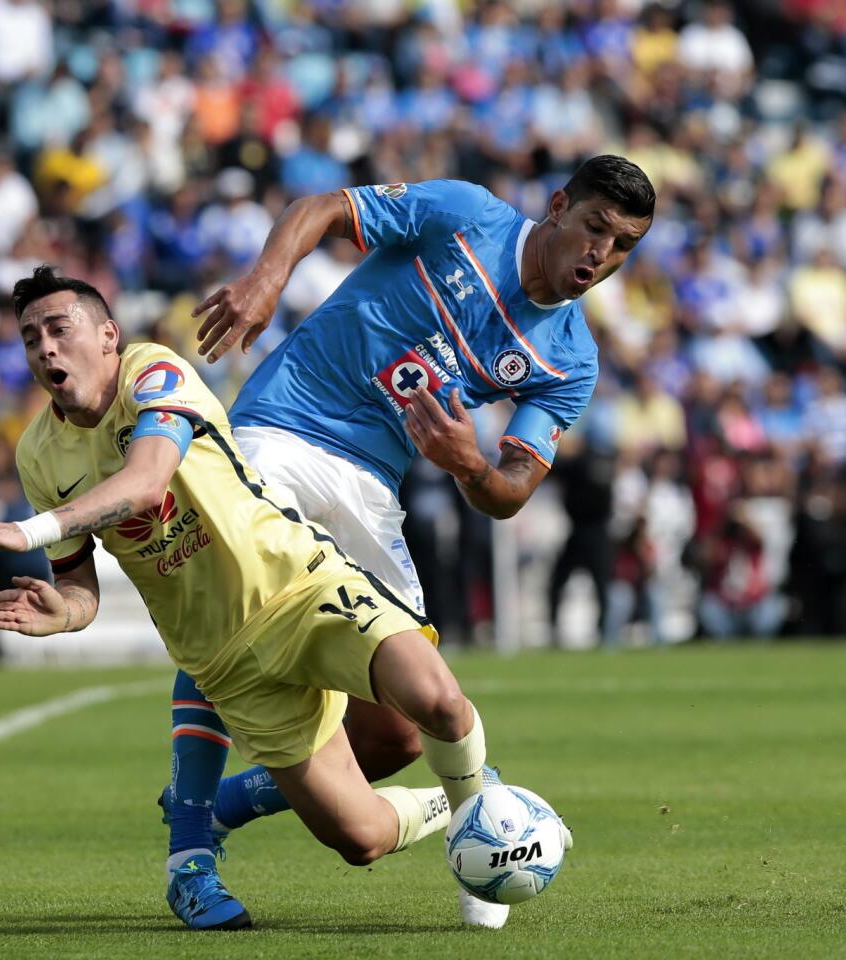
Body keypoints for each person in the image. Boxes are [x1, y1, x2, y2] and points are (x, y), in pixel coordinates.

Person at [0, 268, 497, 931]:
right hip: (227, 665)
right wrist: (66, 614)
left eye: (60, 329)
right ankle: (466, 796)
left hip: (302, 587)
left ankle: (481, 824)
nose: (45, 349)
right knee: (362, 838)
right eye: (31, 338)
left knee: (436, 704)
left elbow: (146, 483)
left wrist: (26, 530)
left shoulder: (153, 371)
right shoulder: (39, 454)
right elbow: (78, 585)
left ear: (108, 336)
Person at [175, 156, 655, 927]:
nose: (600, 255)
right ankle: (190, 849)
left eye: (623, 245)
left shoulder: (569, 358)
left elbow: (509, 492)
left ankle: (253, 799)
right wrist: (267, 279)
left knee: (401, 726)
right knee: (232, 600)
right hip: (284, 428)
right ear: (558, 207)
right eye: (595, 228)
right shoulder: (467, 214)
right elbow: (323, 207)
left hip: (372, 480)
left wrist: (469, 465)